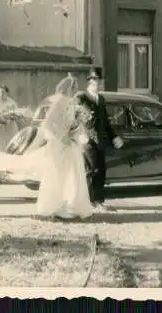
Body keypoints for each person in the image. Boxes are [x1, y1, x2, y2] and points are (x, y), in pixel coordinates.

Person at [35, 74, 95, 219]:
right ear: (67, 88)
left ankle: (71, 206)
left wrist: (76, 129)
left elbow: (72, 122)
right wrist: (62, 136)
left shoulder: (72, 102)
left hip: (70, 143)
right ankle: (55, 207)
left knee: (74, 174)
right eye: (72, 87)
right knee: (58, 175)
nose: (74, 90)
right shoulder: (59, 102)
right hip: (59, 144)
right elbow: (47, 123)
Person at [76, 71, 124, 212]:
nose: (99, 84)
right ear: (90, 82)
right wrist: (80, 133)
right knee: (92, 169)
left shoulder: (101, 99)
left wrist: (114, 136)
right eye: (96, 81)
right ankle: (90, 201)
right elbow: (75, 116)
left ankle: (98, 201)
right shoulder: (82, 97)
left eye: (100, 81)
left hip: (100, 140)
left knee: (101, 169)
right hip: (87, 139)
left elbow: (105, 121)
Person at [0, 85, 19, 152]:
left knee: (10, 149)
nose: (1, 94)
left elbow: (17, 116)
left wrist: (11, 116)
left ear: (7, 93)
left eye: (3, 92)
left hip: (10, 129)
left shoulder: (12, 103)